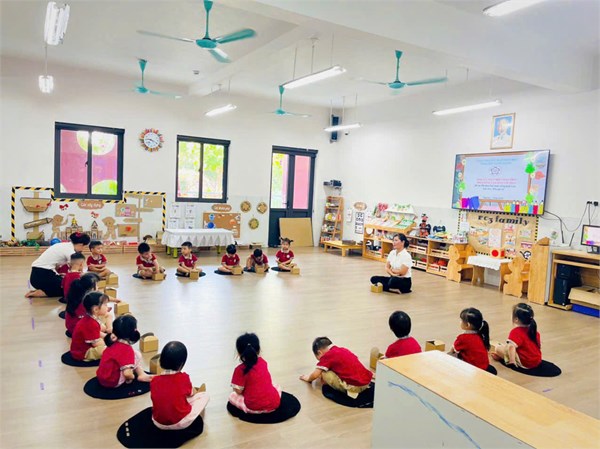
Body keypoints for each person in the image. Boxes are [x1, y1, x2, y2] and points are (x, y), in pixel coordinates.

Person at [150, 341, 210, 430]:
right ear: (182, 364)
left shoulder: (154, 380)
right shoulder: (184, 378)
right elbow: (192, 393)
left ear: (161, 360)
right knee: (205, 395)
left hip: (157, 422)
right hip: (180, 423)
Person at [300, 337, 373, 399]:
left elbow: (315, 375)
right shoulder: (342, 350)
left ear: (319, 352)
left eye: (318, 358)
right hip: (366, 382)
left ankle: (350, 391)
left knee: (324, 373)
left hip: (355, 387)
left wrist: (308, 378)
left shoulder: (327, 356)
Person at [25, 232, 91, 298]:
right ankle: (39, 293)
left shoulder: (63, 245)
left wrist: (58, 275)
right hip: (42, 275)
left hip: (37, 275)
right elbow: (76, 269)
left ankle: (44, 289)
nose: (83, 249)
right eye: (84, 247)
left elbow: (55, 265)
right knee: (68, 289)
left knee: (64, 282)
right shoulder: (70, 252)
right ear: (81, 245)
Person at [229, 333, 281, 414]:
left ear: (239, 353)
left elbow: (238, 391)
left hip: (253, 407)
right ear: (259, 350)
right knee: (277, 386)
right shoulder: (263, 362)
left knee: (232, 396)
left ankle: (253, 409)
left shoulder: (239, 370)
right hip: (274, 403)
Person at [96, 315, 152, 388]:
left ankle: (141, 374)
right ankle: (141, 375)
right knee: (137, 355)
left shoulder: (112, 342)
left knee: (135, 354)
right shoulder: (127, 349)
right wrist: (131, 377)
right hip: (113, 381)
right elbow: (127, 374)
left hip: (102, 378)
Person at [493, 303, 542, 369]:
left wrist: (511, 361)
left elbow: (511, 347)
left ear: (516, 319)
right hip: (537, 360)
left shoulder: (516, 332)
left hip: (525, 363)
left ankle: (506, 359)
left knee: (498, 348)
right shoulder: (534, 331)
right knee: (506, 346)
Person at [70, 292, 110, 362]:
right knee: (108, 349)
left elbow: (98, 332)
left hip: (86, 346)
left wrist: (107, 337)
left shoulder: (90, 318)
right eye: (105, 305)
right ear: (96, 309)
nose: (107, 306)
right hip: (83, 352)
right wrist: (108, 343)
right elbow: (96, 344)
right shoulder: (90, 323)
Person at [65, 272, 100, 338]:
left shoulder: (78, 296)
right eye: (97, 285)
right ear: (91, 289)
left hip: (76, 326)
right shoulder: (83, 303)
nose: (98, 287)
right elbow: (87, 321)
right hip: (75, 330)